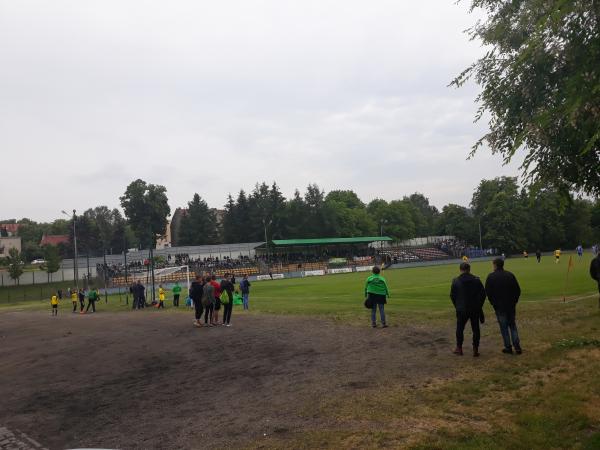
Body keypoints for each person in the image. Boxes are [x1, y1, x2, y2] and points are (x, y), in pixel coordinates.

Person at [485, 258, 522, 355]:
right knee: (512, 325)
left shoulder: (491, 277)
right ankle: (517, 346)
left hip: (499, 306)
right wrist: (514, 301)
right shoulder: (510, 275)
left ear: (495, 265)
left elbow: (488, 292)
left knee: (504, 327)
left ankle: (508, 347)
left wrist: (493, 303)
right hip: (510, 305)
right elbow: (517, 290)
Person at [450, 263, 486, 356]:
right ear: (469, 269)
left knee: (460, 328)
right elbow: (483, 295)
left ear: (460, 269)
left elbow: (452, 296)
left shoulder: (456, 281)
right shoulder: (476, 280)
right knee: (476, 329)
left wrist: (457, 306)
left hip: (462, 309)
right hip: (474, 308)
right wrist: (479, 306)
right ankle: (475, 349)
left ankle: (459, 348)